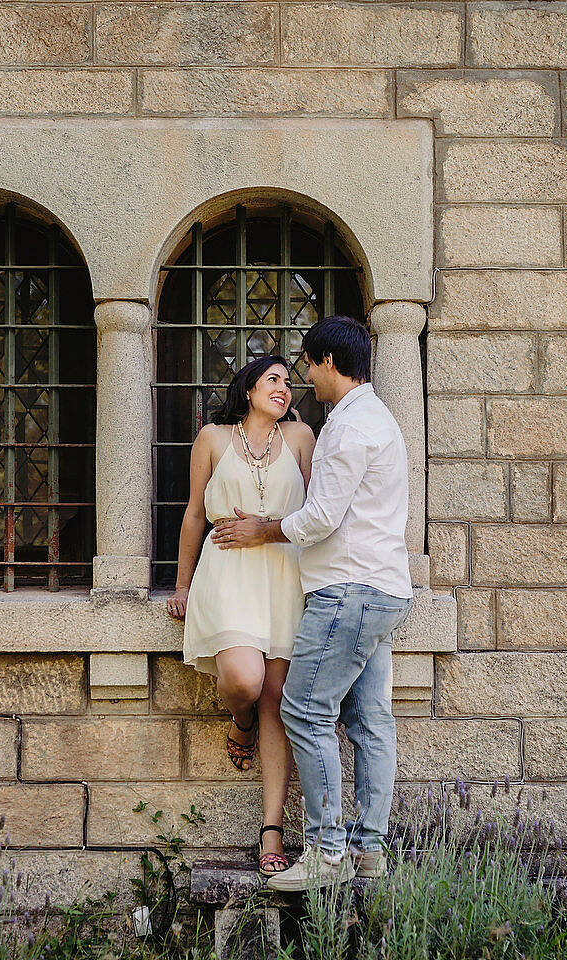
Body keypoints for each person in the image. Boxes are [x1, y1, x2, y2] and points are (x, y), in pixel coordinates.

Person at [211, 315, 413, 892]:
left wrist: (263, 530)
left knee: (302, 710)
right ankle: (369, 850)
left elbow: (322, 518)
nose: (306, 377)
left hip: (348, 591)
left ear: (328, 361)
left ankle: (327, 853)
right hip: (383, 588)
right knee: (371, 720)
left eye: (308, 364)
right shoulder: (378, 419)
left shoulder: (349, 427)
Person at [166, 354, 316, 876]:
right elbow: (192, 513)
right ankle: (241, 720)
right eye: (273, 379)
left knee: (278, 696)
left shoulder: (300, 439)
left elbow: (317, 512)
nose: (284, 387)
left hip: (284, 575)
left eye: (288, 383)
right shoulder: (211, 438)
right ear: (249, 388)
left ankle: (271, 829)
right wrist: (181, 584)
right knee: (243, 679)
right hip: (227, 571)